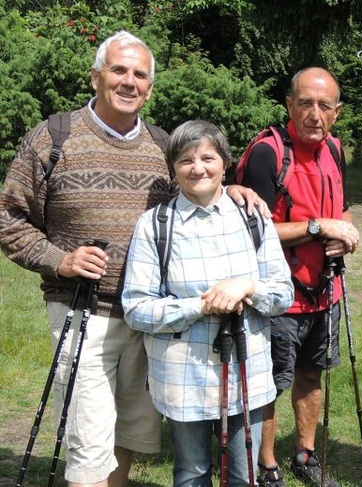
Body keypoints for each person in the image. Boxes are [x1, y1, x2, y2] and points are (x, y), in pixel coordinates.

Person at [0, 31, 264, 487]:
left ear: (150, 86)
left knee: (128, 430)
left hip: (153, 318)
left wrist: (231, 189)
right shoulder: (53, 136)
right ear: (97, 76)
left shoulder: (163, 147)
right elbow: (9, 217)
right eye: (119, 70)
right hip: (83, 310)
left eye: (140, 74)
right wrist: (59, 260)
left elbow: (198, 187)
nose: (129, 81)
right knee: (88, 435)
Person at [121, 120, 294, 486]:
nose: (198, 168)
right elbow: (136, 309)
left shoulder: (252, 216)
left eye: (207, 157)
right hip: (184, 376)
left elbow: (282, 293)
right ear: (173, 169)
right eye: (185, 160)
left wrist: (247, 287)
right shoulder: (155, 225)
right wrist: (201, 306)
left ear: (225, 163)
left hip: (248, 369)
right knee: (191, 471)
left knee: (243, 472)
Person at [240, 67, 360, 487]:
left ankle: (305, 455)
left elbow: (341, 209)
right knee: (271, 382)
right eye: (305, 103)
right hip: (279, 297)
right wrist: (319, 227)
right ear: (288, 104)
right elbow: (251, 231)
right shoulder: (267, 154)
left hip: (326, 292)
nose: (314, 113)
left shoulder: (336, 150)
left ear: (337, 111)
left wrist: (345, 233)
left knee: (311, 375)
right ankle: (267, 464)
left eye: (324, 105)